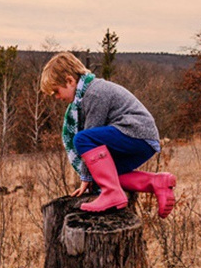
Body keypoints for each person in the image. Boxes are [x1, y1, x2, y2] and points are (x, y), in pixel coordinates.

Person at [40, 52, 177, 218]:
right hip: (142, 141)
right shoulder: (87, 94)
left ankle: (112, 193)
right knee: (107, 175)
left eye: (56, 91)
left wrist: (85, 177)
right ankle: (155, 182)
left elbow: (89, 135)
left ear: (70, 81)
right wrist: (91, 177)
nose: (56, 97)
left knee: (81, 139)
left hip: (135, 132)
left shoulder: (94, 93)